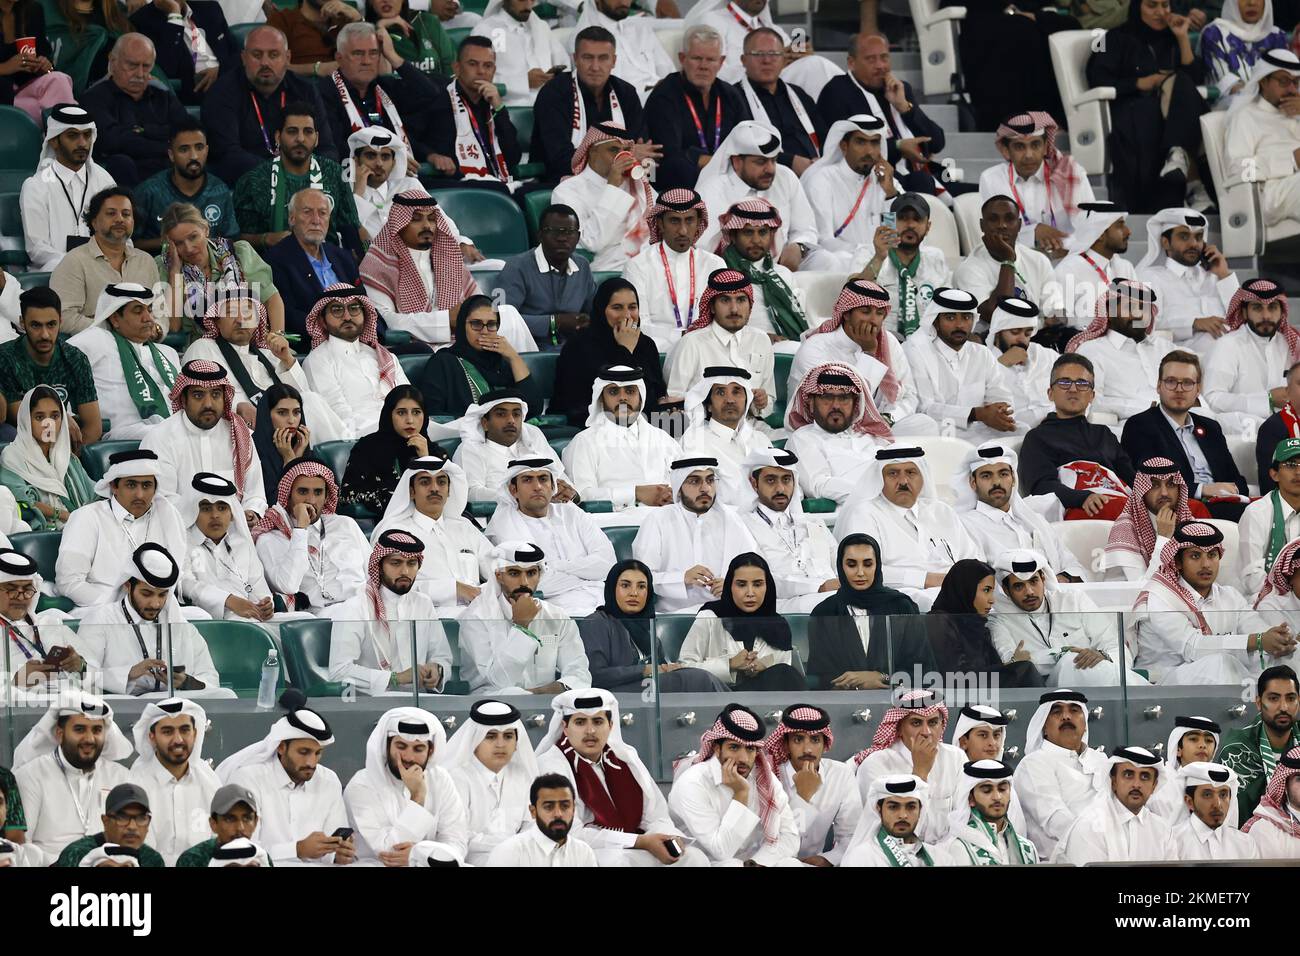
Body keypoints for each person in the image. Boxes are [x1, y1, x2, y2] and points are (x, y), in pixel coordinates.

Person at [533, 688, 706, 866]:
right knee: (617, 862)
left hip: (634, 848)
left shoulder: (626, 757)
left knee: (693, 858)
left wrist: (667, 837)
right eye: (580, 722)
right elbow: (570, 833)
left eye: (598, 721)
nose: (590, 730)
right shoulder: (551, 766)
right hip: (581, 853)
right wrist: (639, 842)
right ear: (565, 728)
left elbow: (656, 816)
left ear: (611, 725)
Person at [1087, 0, 1210, 213]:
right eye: (1152, 6)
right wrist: (1139, 83)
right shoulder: (1115, 37)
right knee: (1168, 104)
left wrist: (1182, 37)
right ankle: (1192, 182)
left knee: (1181, 82)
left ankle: (1179, 158)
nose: (1160, 12)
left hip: (1173, 109)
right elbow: (1097, 77)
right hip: (1132, 106)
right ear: (1137, 8)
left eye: (1165, 5)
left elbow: (1194, 80)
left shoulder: (1173, 36)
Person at [361, 191, 524, 351]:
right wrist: (446, 320)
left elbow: (478, 302)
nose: (427, 226)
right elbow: (385, 320)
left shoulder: (447, 256)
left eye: (432, 219)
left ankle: (524, 373)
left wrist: (471, 315)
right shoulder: (377, 265)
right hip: (418, 346)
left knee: (507, 314)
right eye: (416, 219)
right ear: (399, 224)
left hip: (464, 337)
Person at [1135, 521, 1292, 683]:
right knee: (1221, 664)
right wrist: (1257, 641)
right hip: (1162, 682)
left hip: (1219, 678)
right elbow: (1193, 647)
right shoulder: (1162, 597)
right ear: (1178, 562)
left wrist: (1278, 640)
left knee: (1282, 659)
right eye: (1195, 556)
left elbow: (1255, 627)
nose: (1206, 564)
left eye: (1212, 555)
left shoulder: (1230, 596)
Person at [834, 446, 982, 609]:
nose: (903, 481)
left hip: (955, 592)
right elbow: (860, 571)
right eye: (893, 473)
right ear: (879, 478)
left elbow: (973, 559)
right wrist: (926, 579)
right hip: (896, 598)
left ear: (922, 476)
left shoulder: (942, 511)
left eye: (911, 473)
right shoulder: (863, 514)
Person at [217, 697, 356, 866]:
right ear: (281, 747)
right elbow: (239, 849)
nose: (312, 763)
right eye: (304, 752)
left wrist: (338, 854)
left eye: (317, 753)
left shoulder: (328, 780)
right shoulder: (248, 780)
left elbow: (333, 846)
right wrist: (297, 850)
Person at [71, 542, 222, 695]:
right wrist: (128, 674)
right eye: (146, 594)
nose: (155, 603)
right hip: (122, 704)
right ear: (128, 586)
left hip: (174, 708)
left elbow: (211, 680)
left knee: (226, 695)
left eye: (162, 595)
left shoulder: (183, 627)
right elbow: (80, 674)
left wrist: (186, 682)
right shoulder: (99, 620)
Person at [788, 280, 932, 437]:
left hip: (875, 428)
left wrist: (889, 417)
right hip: (827, 430)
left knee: (924, 424)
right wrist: (869, 353)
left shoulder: (888, 341)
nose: (873, 320)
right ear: (847, 313)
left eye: (879, 313)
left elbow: (909, 395)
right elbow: (847, 403)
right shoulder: (815, 347)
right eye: (865, 311)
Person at [200, 24, 339, 185]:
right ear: (244, 58)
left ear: (287, 58)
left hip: (302, 183)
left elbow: (327, 149)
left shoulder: (305, 90)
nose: (265, 62)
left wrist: (301, 174)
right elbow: (226, 155)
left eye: (273, 55)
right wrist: (280, 172)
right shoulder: (222, 93)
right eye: (257, 55)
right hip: (248, 184)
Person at [1121, 350, 1250, 521]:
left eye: (1187, 383)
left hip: (1224, 505)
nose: (1179, 389)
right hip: (1177, 510)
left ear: (1198, 389)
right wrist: (1202, 489)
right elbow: (1149, 483)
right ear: (1159, 386)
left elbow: (1237, 481)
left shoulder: (1210, 428)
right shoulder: (1140, 426)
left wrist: (1230, 491)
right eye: (1171, 381)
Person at [55, 448, 190, 609]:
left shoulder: (168, 518)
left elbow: (180, 576)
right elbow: (69, 583)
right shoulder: (86, 517)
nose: (140, 495)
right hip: (102, 609)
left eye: (147, 486)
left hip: (157, 607)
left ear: (155, 488)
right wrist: (123, 607)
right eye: (131, 485)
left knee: (200, 616)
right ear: (114, 486)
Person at [815, 34, 948, 196]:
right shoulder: (837, 91)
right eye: (871, 59)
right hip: (875, 182)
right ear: (851, 63)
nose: (880, 65)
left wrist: (904, 107)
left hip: (922, 175)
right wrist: (898, 147)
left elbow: (937, 142)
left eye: (884, 57)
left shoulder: (899, 88)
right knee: (921, 182)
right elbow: (841, 151)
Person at [668, 703, 801, 865]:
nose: (743, 759)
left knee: (791, 864)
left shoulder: (764, 779)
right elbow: (721, 851)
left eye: (750, 749)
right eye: (734, 747)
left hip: (751, 861)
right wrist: (741, 795)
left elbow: (790, 837)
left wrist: (757, 862)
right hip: (705, 862)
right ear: (717, 749)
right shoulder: (693, 783)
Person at [12, 691, 134, 865]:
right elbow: (22, 847)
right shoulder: (31, 776)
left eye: (97, 730)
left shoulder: (121, 776)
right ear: (60, 733)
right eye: (79, 729)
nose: (89, 739)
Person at [990, 550, 1145, 686]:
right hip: (1046, 693)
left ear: (1043, 579)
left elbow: (1117, 647)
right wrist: (1067, 653)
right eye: (1019, 586)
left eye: (1033, 581)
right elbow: (1013, 666)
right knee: (1071, 662)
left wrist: (1102, 656)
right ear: (1006, 590)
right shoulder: (999, 620)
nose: (1029, 591)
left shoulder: (1073, 600)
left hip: (1098, 683)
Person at [327, 530, 454, 695]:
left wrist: (438, 670)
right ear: (379, 566)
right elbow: (339, 671)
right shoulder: (356, 607)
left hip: (420, 700)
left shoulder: (423, 604)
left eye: (411, 563)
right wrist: (395, 678)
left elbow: (442, 656)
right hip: (372, 701)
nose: (405, 572)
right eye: (396, 563)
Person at [458, 541, 593, 695]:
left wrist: (536, 695)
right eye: (514, 573)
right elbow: (497, 682)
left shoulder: (557, 616)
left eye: (531, 573)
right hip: (492, 706)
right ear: (499, 576)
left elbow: (579, 675)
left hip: (546, 703)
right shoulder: (477, 617)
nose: (524, 582)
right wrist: (522, 627)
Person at [483, 458, 614, 616]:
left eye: (543, 479)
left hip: (603, 600)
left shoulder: (573, 513)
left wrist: (555, 566)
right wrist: (587, 576)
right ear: (513, 490)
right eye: (527, 480)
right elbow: (536, 583)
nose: (537, 487)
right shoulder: (504, 525)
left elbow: (607, 565)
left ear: (553, 486)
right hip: (554, 610)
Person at [805, 533, 935, 690]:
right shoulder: (824, 612)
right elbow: (820, 678)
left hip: (899, 703)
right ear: (841, 566)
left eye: (867, 564)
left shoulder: (901, 606)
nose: (860, 572)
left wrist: (883, 678)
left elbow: (925, 672)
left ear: (877, 565)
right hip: (843, 703)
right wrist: (855, 684)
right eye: (852, 565)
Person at [578, 560, 728, 693]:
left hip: (647, 695)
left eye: (642, 586)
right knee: (696, 679)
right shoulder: (596, 623)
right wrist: (645, 670)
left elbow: (662, 669)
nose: (634, 593)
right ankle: (736, 716)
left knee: (695, 676)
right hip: (613, 697)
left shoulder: (647, 627)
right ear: (612, 588)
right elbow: (594, 676)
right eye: (625, 585)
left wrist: (670, 668)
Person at [1017, 353, 1138, 519]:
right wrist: (1083, 497)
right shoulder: (1038, 437)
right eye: (1064, 382)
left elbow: (1131, 478)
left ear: (1092, 396)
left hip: (1120, 503)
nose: (1073, 389)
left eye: (1082, 383)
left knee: (1182, 507)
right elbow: (1040, 486)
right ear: (1050, 393)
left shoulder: (1104, 434)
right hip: (1080, 509)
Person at [138, 358, 265, 515]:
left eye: (216, 394)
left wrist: (251, 511)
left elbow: (255, 491)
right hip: (180, 531)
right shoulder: (160, 438)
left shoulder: (239, 433)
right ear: (183, 399)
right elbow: (162, 500)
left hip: (235, 528)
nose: (208, 404)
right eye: (198, 395)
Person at [342, 706, 468, 864]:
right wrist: (417, 798)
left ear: (430, 751)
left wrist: (422, 857)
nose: (408, 757)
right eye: (401, 747)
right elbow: (388, 852)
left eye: (418, 748)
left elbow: (457, 841)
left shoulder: (440, 779)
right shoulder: (362, 785)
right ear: (387, 747)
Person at [632, 457, 759, 612]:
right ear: (679, 487)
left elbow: (755, 570)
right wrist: (681, 578)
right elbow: (641, 579)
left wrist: (732, 585)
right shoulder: (657, 520)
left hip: (725, 614)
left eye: (710, 480)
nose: (705, 488)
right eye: (695, 481)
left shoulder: (731, 520)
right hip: (673, 618)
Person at [233, 102, 362, 256]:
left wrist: (370, 256)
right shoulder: (254, 180)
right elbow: (238, 240)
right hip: (273, 270)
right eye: (292, 131)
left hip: (329, 267)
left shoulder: (334, 173)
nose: (300, 139)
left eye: (308, 132)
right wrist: (266, 239)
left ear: (317, 138)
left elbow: (353, 228)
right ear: (278, 137)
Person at [370, 455, 493, 614]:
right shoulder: (394, 532)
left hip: (480, 612)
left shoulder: (464, 527)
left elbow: (497, 569)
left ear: (449, 491)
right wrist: (453, 590)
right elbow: (385, 587)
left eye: (441, 482)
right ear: (411, 492)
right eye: (425, 482)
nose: (434, 488)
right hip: (427, 617)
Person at [315, 22, 440, 175]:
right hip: (353, 182)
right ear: (339, 58)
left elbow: (429, 94)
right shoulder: (323, 93)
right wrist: (390, 161)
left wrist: (393, 56)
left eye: (374, 53)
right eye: (358, 54)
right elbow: (334, 148)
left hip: (402, 180)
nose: (367, 61)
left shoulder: (384, 87)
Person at [531, 25, 647, 184]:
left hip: (623, 181)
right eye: (587, 57)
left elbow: (642, 148)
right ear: (575, 59)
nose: (595, 67)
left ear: (614, 61)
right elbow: (559, 159)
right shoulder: (554, 93)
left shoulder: (626, 93)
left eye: (603, 58)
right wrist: (621, 159)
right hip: (564, 183)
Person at [695, 122, 818, 270]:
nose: (771, 169)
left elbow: (806, 228)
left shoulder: (785, 177)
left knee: (827, 261)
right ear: (737, 161)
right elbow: (705, 250)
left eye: (774, 160)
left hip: (785, 267)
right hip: (733, 271)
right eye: (761, 162)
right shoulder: (712, 190)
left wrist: (799, 246)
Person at [903, 287, 1019, 441]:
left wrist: (1001, 412)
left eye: (966, 318)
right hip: (939, 432)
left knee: (1023, 430)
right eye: (950, 318)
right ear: (935, 321)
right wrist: (977, 414)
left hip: (979, 430)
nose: (960, 325)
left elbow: (1002, 396)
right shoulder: (915, 351)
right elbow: (924, 408)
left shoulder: (982, 353)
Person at [957, 442, 1086, 580]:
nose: (996, 482)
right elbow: (976, 582)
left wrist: (1064, 578)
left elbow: (1074, 566)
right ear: (973, 482)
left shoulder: (1036, 521)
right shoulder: (964, 526)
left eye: (1003, 474)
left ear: (1013, 479)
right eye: (986, 476)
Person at [253, 458, 369, 613]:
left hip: (363, 609)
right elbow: (288, 585)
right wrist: (300, 529)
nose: (311, 500)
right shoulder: (269, 539)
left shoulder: (345, 525)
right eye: (302, 491)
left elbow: (373, 572)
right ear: (288, 495)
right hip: (317, 618)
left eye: (318, 492)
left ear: (327, 497)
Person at [641, 26, 748, 192]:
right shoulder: (664, 96)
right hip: (680, 184)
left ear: (720, 62)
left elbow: (746, 139)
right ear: (682, 59)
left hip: (728, 176)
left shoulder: (730, 95)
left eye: (711, 60)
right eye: (697, 58)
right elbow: (668, 154)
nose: (703, 66)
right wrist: (713, 163)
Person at [561, 364, 682, 512]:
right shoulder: (584, 442)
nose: (623, 397)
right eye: (613, 392)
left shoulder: (663, 439)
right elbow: (582, 496)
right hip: (611, 524)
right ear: (601, 399)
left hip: (667, 519)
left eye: (630, 391)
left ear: (640, 398)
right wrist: (635, 494)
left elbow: (684, 482)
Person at [678, 551, 806, 691]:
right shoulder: (710, 617)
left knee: (783, 673)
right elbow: (685, 668)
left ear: (767, 587)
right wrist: (730, 664)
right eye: (741, 584)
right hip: (720, 699)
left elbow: (783, 673)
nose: (750, 593)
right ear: (729, 587)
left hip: (766, 701)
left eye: (757, 584)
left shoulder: (778, 625)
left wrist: (763, 667)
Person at [66, 283, 178, 440]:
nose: (148, 318)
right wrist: (66, 415)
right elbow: (53, 372)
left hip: (168, 428)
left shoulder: (167, 353)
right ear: (115, 319)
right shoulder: (95, 340)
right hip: (121, 432)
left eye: (149, 310)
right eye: (138, 311)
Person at [551, 277, 669, 427]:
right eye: (617, 307)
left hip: (642, 425)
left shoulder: (646, 344)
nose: (627, 315)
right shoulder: (579, 346)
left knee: (679, 427)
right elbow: (591, 401)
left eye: (632, 307)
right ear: (602, 309)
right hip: (590, 425)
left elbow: (656, 394)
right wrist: (625, 350)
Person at [975, 113, 1093, 260]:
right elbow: (997, 234)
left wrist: (1064, 245)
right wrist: (1034, 232)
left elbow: (1091, 228)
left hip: (1068, 260)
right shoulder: (992, 178)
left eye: (1035, 145)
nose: (1029, 155)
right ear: (1006, 150)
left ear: (1045, 147)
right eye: (1019, 147)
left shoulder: (1071, 173)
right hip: (1016, 263)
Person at [80, 33, 192, 186]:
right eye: (132, 65)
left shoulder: (163, 96)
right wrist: (166, 144)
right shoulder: (95, 98)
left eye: (146, 66)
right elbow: (112, 141)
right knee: (121, 162)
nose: (140, 74)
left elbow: (186, 133)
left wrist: (143, 130)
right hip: (127, 174)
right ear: (113, 62)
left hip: (167, 169)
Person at [436, 699, 538, 865]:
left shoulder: (523, 776)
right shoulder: (457, 778)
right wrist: (510, 846)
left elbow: (532, 824)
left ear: (516, 743)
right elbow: (458, 834)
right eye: (490, 736)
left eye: (508, 736)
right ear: (474, 741)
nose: (500, 744)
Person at [300, 285, 409, 439]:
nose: (347, 317)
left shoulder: (384, 356)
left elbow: (409, 398)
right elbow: (338, 413)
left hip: (403, 427)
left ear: (365, 315)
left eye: (354, 308)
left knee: (456, 427)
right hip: (360, 435)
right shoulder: (318, 360)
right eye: (337, 310)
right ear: (322, 321)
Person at [161, 207, 284, 344]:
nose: (189, 248)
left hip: (250, 342)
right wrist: (174, 272)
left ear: (206, 230)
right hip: (203, 348)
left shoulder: (238, 253)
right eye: (179, 243)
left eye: (193, 237)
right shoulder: (165, 267)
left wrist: (277, 338)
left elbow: (272, 298)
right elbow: (173, 326)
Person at [51, 186, 162, 337]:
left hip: (144, 346)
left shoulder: (146, 261)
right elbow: (64, 317)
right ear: (94, 222)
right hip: (95, 348)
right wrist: (115, 331)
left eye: (126, 214)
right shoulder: (74, 261)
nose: (119, 219)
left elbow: (160, 313)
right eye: (111, 213)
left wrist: (156, 331)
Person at [622, 189, 725, 351]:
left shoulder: (715, 264)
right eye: (675, 221)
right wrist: (680, 337)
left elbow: (721, 319)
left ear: (699, 222)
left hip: (707, 350)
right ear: (661, 224)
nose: (683, 230)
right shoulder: (637, 266)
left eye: (689, 220)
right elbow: (638, 323)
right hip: (657, 351)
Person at [1012, 689, 1109, 858]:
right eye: (1057, 711)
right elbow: (1055, 819)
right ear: (1044, 727)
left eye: (1074, 710)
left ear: (1085, 725)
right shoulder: (1033, 763)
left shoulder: (1102, 760)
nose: (1066, 716)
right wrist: (1101, 843)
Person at [20, 104, 116, 272]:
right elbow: (37, 248)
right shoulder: (35, 186)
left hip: (103, 268)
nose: (82, 143)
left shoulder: (104, 181)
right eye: (73, 136)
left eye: (87, 135)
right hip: (56, 270)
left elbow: (119, 234)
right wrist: (80, 264)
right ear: (54, 141)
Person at [739, 448, 836, 613]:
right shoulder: (743, 526)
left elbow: (839, 563)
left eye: (786, 480)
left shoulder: (814, 523)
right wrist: (818, 587)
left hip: (832, 599)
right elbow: (759, 580)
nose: (780, 489)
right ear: (754, 484)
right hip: (781, 607)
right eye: (771, 480)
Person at [665, 270, 775, 415]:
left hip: (752, 428)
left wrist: (762, 402)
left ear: (750, 305)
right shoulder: (691, 343)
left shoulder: (761, 340)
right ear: (711, 306)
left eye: (741, 300)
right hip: (701, 430)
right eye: (725, 300)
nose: (734, 309)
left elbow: (770, 401)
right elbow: (673, 403)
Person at [125, 698, 219, 864]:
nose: (178, 740)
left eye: (184, 730)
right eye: (168, 732)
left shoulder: (209, 780)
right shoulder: (135, 783)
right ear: (152, 737)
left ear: (195, 734)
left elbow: (220, 842)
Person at [799, 115, 898, 273]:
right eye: (861, 142)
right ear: (844, 146)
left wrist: (890, 195)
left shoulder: (886, 181)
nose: (869, 151)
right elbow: (822, 240)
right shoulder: (821, 180)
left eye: (874, 143)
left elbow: (894, 239)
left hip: (881, 263)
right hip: (842, 265)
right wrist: (865, 252)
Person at [783, 364, 892, 506]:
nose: (836, 405)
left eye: (844, 398)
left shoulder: (872, 437)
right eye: (827, 397)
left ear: (855, 404)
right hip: (850, 513)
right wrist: (877, 494)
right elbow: (818, 485)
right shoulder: (803, 438)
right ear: (811, 403)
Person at [928, 558, 1046, 688]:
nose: (992, 600)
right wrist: (1014, 665)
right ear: (966, 589)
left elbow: (994, 668)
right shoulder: (938, 621)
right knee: (1024, 670)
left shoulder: (978, 626)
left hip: (984, 696)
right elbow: (954, 677)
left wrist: (1013, 662)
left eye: (992, 591)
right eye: (986, 590)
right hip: (956, 698)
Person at [552, 123, 653, 272]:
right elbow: (593, 242)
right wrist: (613, 187)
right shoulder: (567, 191)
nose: (621, 157)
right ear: (593, 151)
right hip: (607, 270)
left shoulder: (637, 184)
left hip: (648, 264)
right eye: (613, 150)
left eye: (625, 151)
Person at [416, 297, 540, 420]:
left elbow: (533, 410)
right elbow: (433, 415)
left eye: (491, 324)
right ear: (462, 326)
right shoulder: (443, 363)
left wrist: (514, 357)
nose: (484, 331)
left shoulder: (502, 364)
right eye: (476, 324)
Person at [953, 203, 1056, 349]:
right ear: (982, 225)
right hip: (989, 344)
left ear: (1019, 225)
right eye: (994, 219)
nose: (1002, 225)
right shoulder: (969, 268)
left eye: (1009, 219)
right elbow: (998, 317)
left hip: (1034, 339)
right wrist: (1008, 260)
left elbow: (1054, 315)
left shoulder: (1038, 260)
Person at [425, 35, 521, 192]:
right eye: (473, 64)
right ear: (456, 67)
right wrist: (431, 155)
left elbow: (512, 158)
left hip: (498, 183)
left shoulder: (492, 105)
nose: (481, 71)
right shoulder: (438, 99)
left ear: (494, 70)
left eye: (488, 66)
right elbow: (409, 140)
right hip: (458, 186)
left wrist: (499, 108)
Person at [1134, 208, 1239, 351]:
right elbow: (1143, 327)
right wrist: (1193, 323)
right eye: (1184, 237)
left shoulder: (1215, 276)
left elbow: (1242, 318)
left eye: (1199, 237)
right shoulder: (1149, 276)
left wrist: (1224, 275)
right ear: (1165, 242)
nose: (1194, 244)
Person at [495, 204, 597, 351]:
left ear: (578, 237)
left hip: (574, 348)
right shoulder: (515, 267)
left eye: (569, 232)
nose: (562, 238)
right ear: (540, 235)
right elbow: (498, 318)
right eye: (554, 231)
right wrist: (555, 322)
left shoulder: (582, 266)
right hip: (528, 349)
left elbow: (592, 312)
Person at [339, 384, 453, 514]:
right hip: (391, 525)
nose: (410, 420)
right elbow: (347, 496)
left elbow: (453, 495)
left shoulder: (435, 452)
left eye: (416, 412)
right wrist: (398, 497)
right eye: (401, 412)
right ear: (389, 415)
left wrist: (425, 459)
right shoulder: (368, 447)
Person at [263, 189, 362, 340]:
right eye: (307, 212)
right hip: (315, 344)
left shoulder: (343, 257)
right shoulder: (275, 260)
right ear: (292, 218)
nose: (316, 220)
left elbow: (364, 302)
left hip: (358, 340)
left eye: (322, 213)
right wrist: (334, 331)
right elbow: (288, 315)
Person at [1205, 278, 1300, 434]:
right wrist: (1266, 400)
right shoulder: (1227, 346)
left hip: (1289, 432)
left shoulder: (1291, 345)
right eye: (1257, 308)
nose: (1266, 316)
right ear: (1244, 311)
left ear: (1282, 311)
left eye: (1273, 307)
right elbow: (1212, 399)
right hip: (1243, 433)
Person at [1066, 278, 1169, 421]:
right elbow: (1090, 400)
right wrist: (1146, 408)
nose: (1139, 314)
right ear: (1110, 311)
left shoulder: (1165, 348)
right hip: (1128, 428)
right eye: (1130, 307)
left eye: (1143, 308)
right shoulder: (1092, 350)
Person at [711, 198, 809, 345]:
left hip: (789, 345)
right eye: (748, 232)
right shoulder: (720, 273)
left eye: (762, 232)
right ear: (732, 236)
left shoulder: (782, 274)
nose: (756, 240)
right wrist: (761, 338)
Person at [132, 119, 239, 253]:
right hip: (161, 269)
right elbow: (129, 243)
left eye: (199, 148)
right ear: (171, 155)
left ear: (206, 150)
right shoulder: (149, 191)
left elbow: (231, 239)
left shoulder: (219, 190)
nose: (193, 156)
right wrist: (172, 241)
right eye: (184, 149)